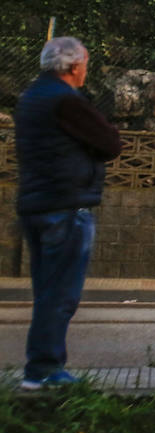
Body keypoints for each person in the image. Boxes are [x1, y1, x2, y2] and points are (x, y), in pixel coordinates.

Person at [14, 37, 122, 389]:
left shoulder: (30, 98)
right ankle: (44, 368)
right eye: (86, 63)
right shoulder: (66, 101)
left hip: (36, 204)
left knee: (47, 290)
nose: (86, 70)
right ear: (75, 66)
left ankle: (39, 367)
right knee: (60, 293)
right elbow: (110, 144)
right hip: (66, 205)